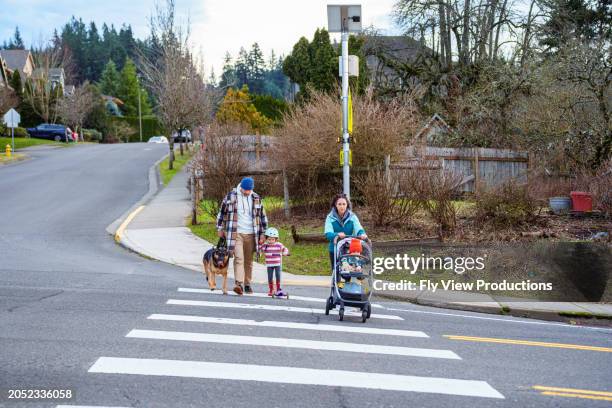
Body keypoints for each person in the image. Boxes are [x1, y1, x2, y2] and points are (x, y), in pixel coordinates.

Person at [216, 177, 268, 295]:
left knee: (248, 261)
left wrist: (263, 234)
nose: (247, 192)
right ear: (241, 187)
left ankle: (247, 284)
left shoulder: (256, 198)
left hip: (252, 234)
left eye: (249, 190)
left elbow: (263, 217)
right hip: (236, 233)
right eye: (245, 190)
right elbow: (221, 213)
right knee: (239, 258)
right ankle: (238, 284)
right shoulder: (231, 197)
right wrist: (219, 228)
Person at [324, 194, 368, 275]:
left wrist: (362, 234)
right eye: (339, 204)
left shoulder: (352, 217)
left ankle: (357, 271)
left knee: (350, 271)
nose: (342, 206)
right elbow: (328, 233)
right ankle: (336, 285)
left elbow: (358, 228)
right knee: (337, 272)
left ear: (347, 205)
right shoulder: (330, 217)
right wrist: (337, 234)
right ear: (335, 205)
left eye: (344, 204)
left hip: (349, 248)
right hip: (334, 248)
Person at [260, 227, 290, 296]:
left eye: (273, 239)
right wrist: (260, 250)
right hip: (269, 264)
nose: (271, 241)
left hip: (277, 264)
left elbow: (285, 249)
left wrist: (285, 253)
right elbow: (261, 249)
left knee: (278, 276)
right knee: (270, 277)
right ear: (266, 239)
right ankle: (271, 290)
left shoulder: (279, 245)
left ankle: (278, 289)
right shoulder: (265, 245)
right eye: (269, 239)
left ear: (276, 239)